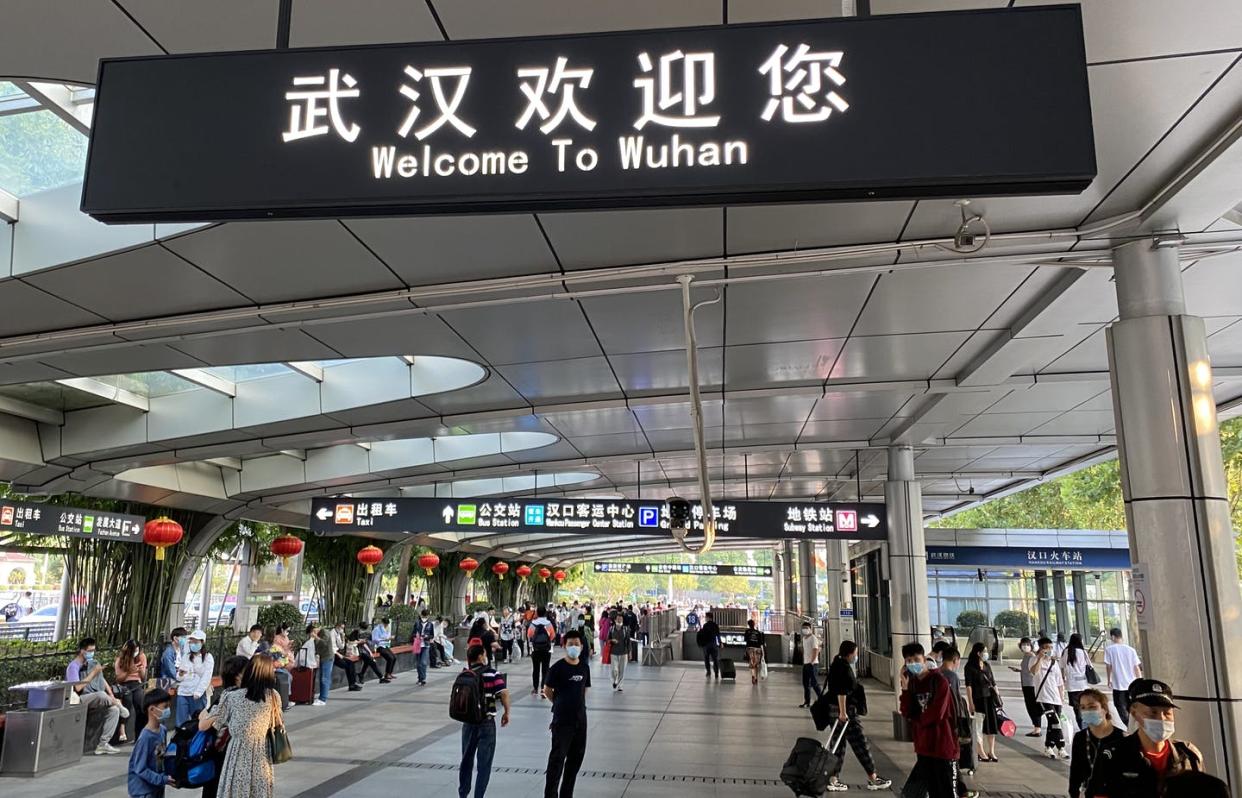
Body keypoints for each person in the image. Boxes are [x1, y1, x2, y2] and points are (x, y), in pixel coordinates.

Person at [1103, 678, 1205, 797]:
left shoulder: (1189, 755)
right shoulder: (1113, 755)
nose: (1161, 719)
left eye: (1167, 713)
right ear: (1134, 713)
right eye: (1152, 713)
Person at [201, 654, 282, 798]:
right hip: (261, 752)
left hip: (237, 751)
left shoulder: (231, 696)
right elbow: (275, 722)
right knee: (258, 790)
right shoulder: (274, 696)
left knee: (235, 789)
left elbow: (215, 724)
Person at [825, 641, 891, 792]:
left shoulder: (836, 663)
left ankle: (833, 779)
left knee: (838, 746)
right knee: (860, 743)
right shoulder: (843, 667)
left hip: (834, 711)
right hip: (845, 712)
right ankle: (873, 778)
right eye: (855, 653)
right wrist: (843, 712)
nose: (856, 656)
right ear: (849, 654)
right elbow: (841, 691)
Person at [899, 643, 959, 798]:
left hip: (942, 744)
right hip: (923, 747)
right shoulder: (912, 684)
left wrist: (917, 720)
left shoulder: (940, 681)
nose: (913, 664)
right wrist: (904, 689)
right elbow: (906, 712)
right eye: (909, 661)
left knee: (945, 791)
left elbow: (937, 713)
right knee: (932, 790)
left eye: (916, 659)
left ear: (924, 659)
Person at [458, 644, 511, 798]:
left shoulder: (465, 674)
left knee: (466, 761)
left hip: (468, 723)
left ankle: (463, 794)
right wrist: (507, 712)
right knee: (484, 764)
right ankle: (478, 796)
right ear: (481, 656)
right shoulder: (493, 673)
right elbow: (504, 693)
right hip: (486, 722)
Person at [543, 629, 590, 798]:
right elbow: (547, 690)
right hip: (562, 722)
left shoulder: (584, 667)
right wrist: (559, 703)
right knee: (557, 760)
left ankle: (566, 794)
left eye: (577, 644)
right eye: (570, 644)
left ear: (582, 646)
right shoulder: (557, 668)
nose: (574, 647)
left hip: (580, 721)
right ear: (564, 646)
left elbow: (584, 690)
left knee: (575, 761)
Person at [67, 637, 124, 755]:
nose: (92, 653)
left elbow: (102, 680)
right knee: (101, 695)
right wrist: (93, 673)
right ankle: (118, 703)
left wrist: (111, 695)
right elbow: (77, 688)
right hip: (77, 699)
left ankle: (103, 744)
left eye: (93, 650)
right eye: (90, 651)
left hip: (92, 697)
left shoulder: (92, 663)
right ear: (82, 651)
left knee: (114, 711)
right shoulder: (73, 666)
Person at [938, 647, 978, 798]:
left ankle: (962, 790)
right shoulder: (952, 676)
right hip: (950, 724)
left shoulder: (935, 674)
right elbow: (955, 700)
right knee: (951, 759)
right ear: (955, 660)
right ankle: (960, 791)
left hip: (938, 724)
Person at [1068, 688, 1124, 798]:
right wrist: (1074, 793)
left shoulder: (1121, 737)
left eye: (1092, 707)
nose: (1087, 711)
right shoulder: (1080, 738)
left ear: (1104, 709)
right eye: (1083, 707)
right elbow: (1075, 771)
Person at [127, 688, 175, 797]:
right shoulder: (145, 738)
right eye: (165, 707)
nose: (168, 710)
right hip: (143, 791)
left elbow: (161, 757)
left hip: (157, 787)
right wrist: (162, 779)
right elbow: (140, 768)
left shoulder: (162, 729)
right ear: (152, 709)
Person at [1030, 636, 1070, 760]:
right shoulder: (1034, 659)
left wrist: (1062, 696)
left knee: (1052, 724)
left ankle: (1049, 746)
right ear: (1041, 648)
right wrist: (1040, 659)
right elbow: (1033, 672)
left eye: (1051, 648)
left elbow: (1059, 682)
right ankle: (1061, 747)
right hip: (1043, 696)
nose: (1050, 650)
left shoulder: (1054, 663)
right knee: (1055, 722)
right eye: (1047, 648)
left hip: (1056, 697)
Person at [963, 643, 1000, 763]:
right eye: (984, 651)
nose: (986, 653)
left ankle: (992, 751)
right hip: (978, 699)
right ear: (978, 653)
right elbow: (968, 686)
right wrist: (970, 702)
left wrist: (998, 697)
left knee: (992, 726)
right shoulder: (970, 667)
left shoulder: (987, 665)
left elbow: (993, 683)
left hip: (990, 699)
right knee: (978, 726)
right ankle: (980, 751)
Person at [1103, 628, 1142, 726]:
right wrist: (1140, 681)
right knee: (1131, 706)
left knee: (1119, 706)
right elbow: (1136, 667)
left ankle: (1129, 726)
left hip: (1118, 685)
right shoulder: (1131, 650)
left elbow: (1109, 666)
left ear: (1112, 637)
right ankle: (1135, 725)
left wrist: (1109, 679)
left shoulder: (1109, 650)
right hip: (1131, 684)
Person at [175, 630, 213, 726]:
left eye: (196, 642)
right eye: (191, 642)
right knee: (181, 722)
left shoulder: (208, 657)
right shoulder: (186, 656)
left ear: (202, 642)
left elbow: (206, 677)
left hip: (196, 694)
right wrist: (180, 675)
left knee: (197, 721)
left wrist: (199, 692)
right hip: (183, 692)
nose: (193, 644)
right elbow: (179, 677)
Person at [114, 639, 148, 744]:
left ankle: (140, 736)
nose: (136, 652)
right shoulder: (120, 660)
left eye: (137, 650)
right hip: (124, 685)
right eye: (134, 650)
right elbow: (119, 679)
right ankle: (122, 731)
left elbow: (143, 679)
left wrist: (141, 670)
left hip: (137, 683)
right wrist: (129, 671)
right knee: (127, 700)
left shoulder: (141, 657)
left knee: (140, 703)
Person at [1008, 637, 1043, 737]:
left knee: (1032, 706)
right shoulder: (1026, 656)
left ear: (1031, 645)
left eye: (1027, 644)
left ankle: (1037, 728)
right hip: (1026, 683)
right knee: (1030, 706)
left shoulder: (1032, 656)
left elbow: (1034, 671)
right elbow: (1027, 669)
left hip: (1031, 684)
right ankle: (1036, 727)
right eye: (1023, 644)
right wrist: (1019, 670)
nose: (1025, 646)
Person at [1063, 633, 1090, 729]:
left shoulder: (1066, 651)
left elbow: (1061, 666)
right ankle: (1087, 726)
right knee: (1084, 706)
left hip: (1072, 684)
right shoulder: (1083, 652)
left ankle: (1081, 727)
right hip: (1083, 684)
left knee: (1077, 708)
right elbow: (1089, 666)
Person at [528, 606, 555, 697]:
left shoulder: (533, 623)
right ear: (545, 613)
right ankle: (543, 689)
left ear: (537, 613)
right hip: (546, 650)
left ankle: (535, 689)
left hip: (535, 650)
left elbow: (529, 635)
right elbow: (552, 636)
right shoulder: (549, 623)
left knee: (536, 669)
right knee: (545, 669)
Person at [797, 621, 823, 707]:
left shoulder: (813, 638)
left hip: (812, 664)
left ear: (810, 629)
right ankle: (807, 702)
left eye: (806, 628)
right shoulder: (804, 639)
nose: (804, 630)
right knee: (806, 683)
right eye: (803, 628)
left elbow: (816, 650)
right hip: (806, 663)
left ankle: (822, 700)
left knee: (814, 683)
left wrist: (812, 661)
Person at [330, 621, 360, 691]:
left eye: (343, 628)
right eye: (341, 628)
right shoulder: (332, 633)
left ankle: (353, 684)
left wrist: (343, 637)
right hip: (333, 654)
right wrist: (338, 654)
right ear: (337, 626)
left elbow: (341, 647)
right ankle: (352, 684)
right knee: (348, 665)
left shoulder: (337, 634)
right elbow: (330, 647)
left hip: (337, 653)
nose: (342, 630)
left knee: (351, 663)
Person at [606, 611, 632, 691]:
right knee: (614, 669)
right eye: (618, 619)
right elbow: (607, 640)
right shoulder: (611, 629)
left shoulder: (626, 629)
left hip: (624, 652)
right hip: (613, 652)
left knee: (622, 670)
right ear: (615, 620)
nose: (620, 620)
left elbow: (628, 641)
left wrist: (630, 652)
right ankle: (615, 681)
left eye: (621, 619)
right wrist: (612, 640)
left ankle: (620, 685)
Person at [312, 622, 334, 704]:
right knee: (322, 677)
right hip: (322, 657)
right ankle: (321, 697)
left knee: (325, 678)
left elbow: (324, 643)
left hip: (327, 657)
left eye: (315, 629)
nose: (314, 631)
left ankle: (323, 699)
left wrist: (316, 637)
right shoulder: (319, 633)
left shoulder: (325, 632)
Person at [700, 611, 722, 680]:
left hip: (707, 645)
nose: (705, 618)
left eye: (706, 617)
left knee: (706, 659)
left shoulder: (705, 625)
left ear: (708, 617)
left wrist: (702, 644)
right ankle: (716, 673)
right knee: (715, 659)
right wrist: (720, 643)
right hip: (713, 644)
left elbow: (703, 636)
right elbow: (718, 635)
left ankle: (708, 672)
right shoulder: (715, 625)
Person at [416, 609, 436, 685]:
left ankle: (423, 678)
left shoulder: (430, 624)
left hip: (426, 644)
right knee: (418, 663)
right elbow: (413, 633)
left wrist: (426, 636)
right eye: (424, 616)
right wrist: (417, 636)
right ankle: (420, 678)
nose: (425, 617)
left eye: (426, 616)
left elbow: (432, 635)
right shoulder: (417, 623)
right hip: (418, 644)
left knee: (423, 662)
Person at [742, 619, 765, 685]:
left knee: (752, 664)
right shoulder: (758, 632)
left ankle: (753, 676)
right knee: (756, 665)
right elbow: (761, 642)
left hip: (750, 648)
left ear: (748, 625)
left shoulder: (747, 631)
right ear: (754, 624)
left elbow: (745, 640)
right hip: (758, 649)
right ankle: (756, 677)